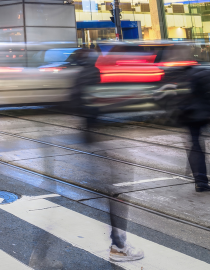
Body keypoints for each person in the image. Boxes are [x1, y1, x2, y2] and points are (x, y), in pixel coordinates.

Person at [71, 47, 144, 263]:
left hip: (98, 136)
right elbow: (99, 103)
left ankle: (118, 242)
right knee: (117, 192)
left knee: (114, 192)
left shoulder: (89, 71)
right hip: (105, 137)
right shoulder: (97, 73)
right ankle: (118, 246)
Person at [178, 65, 210, 191]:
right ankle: (202, 179)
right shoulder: (205, 73)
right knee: (201, 144)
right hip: (202, 114)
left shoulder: (183, 76)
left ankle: (199, 179)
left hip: (188, 115)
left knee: (195, 144)